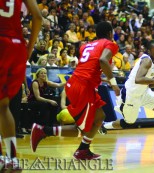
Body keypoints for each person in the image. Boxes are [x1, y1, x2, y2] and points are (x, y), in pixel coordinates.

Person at [30, 21, 120, 160]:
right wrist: (114, 83)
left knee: (100, 117)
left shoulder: (86, 46)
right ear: (110, 33)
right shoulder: (110, 44)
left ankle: (83, 150)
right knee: (83, 129)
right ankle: (43, 131)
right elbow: (102, 60)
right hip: (83, 86)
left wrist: (102, 79)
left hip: (78, 83)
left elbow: (90, 66)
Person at [0, 0, 42, 171]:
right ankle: (11, 159)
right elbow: (38, 17)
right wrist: (29, 48)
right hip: (17, 46)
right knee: (3, 107)